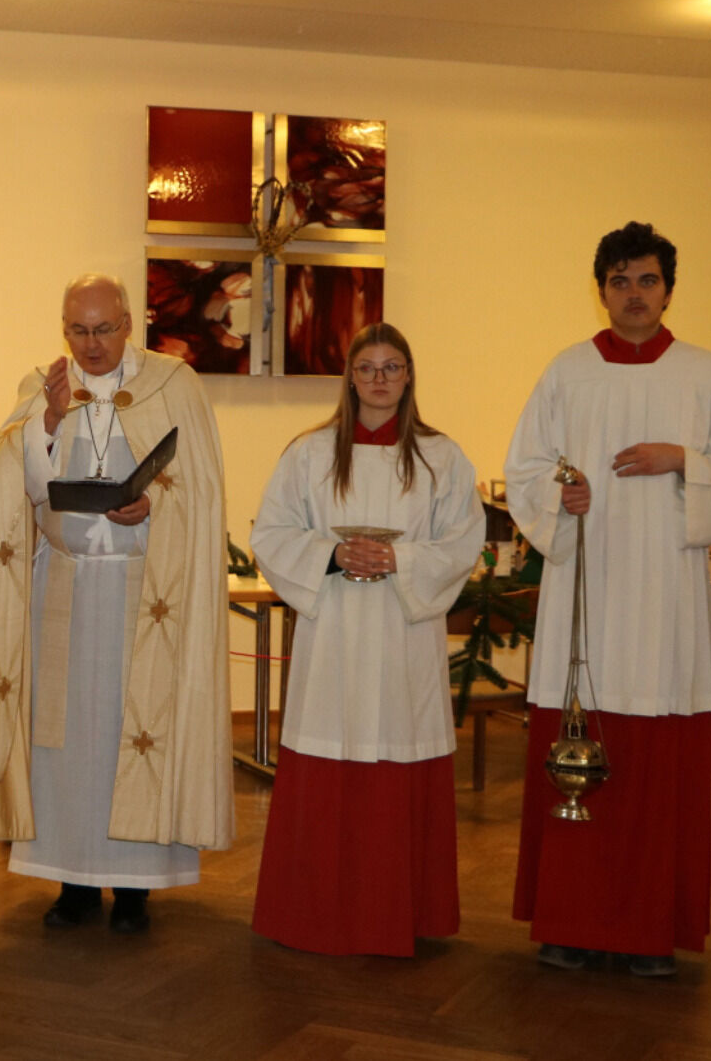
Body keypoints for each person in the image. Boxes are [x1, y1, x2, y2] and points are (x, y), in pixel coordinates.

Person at [0, 273, 232, 934]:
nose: (91, 345)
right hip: (66, 593)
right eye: (77, 331)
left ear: (130, 324)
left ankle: (136, 886)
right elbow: (13, 485)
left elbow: (200, 491)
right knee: (66, 743)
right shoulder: (42, 386)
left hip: (145, 598)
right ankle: (74, 881)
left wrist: (152, 504)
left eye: (103, 330)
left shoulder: (175, 383)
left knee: (134, 738)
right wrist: (47, 424)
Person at [506, 222, 711, 977]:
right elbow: (525, 470)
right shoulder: (566, 372)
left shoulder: (705, 375)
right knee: (574, 759)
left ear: (668, 289)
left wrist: (683, 460)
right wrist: (563, 493)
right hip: (585, 593)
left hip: (664, 604)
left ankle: (649, 931)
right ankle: (569, 921)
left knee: (655, 767)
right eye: (620, 282)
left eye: (647, 281)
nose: (634, 295)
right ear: (602, 290)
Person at [248, 323, 483, 956]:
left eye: (392, 367)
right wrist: (331, 553)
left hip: (404, 637)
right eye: (367, 368)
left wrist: (400, 563)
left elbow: (463, 543)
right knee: (330, 748)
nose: (380, 379)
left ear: (409, 376)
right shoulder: (309, 453)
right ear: (349, 377)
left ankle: (400, 912)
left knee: (398, 748)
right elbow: (270, 534)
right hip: (335, 635)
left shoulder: (442, 457)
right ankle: (313, 913)